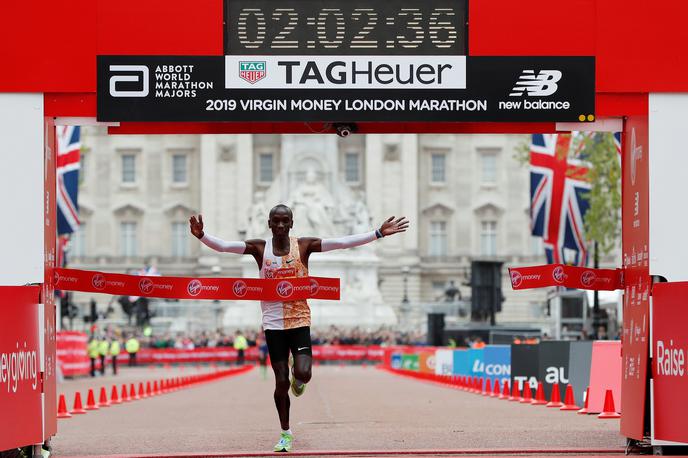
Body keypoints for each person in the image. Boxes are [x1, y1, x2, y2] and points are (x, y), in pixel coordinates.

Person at [190, 206, 408, 452]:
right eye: (276, 222)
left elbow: (342, 243)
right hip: (273, 325)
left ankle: (299, 376)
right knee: (280, 382)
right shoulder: (259, 249)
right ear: (269, 223)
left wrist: (377, 233)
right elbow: (225, 247)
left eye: (285, 221)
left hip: (299, 320)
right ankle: (285, 433)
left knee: (303, 374)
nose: (281, 226)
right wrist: (202, 236)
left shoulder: (304, 246)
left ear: (292, 223)